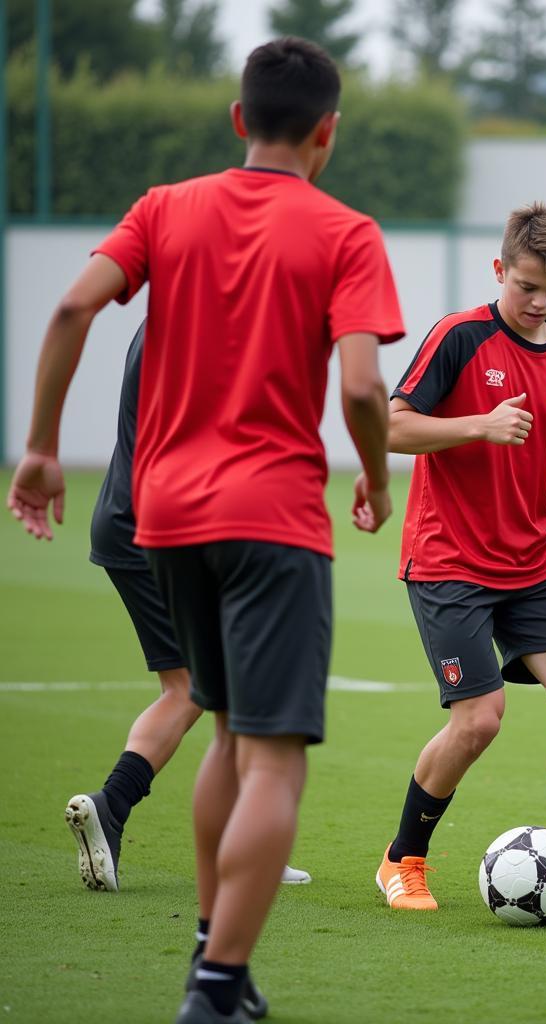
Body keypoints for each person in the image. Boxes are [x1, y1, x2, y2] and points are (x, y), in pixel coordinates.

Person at [7, 37, 404, 1024]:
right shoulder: (346, 230)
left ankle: (214, 958)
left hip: (166, 517)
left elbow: (70, 306)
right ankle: (216, 984)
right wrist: (375, 477)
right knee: (273, 755)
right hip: (273, 520)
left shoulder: (162, 206)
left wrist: (43, 446)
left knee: (224, 733)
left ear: (237, 121)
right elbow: (360, 383)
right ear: (329, 132)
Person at [375, 202, 546, 915]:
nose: (539, 301)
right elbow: (389, 426)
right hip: (447, 559)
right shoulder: (459, 338)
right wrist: (475, 426)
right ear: (499, 270)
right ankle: (403, 860)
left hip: (531, 564)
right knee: (479, 718)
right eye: (525, 286)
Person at [64, 320, 310, 908]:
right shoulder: (212, 332)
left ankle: (119, 809)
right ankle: (235, 840)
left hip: (124, 521)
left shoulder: (165, 318)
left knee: (189, 688)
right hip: (173, 530)